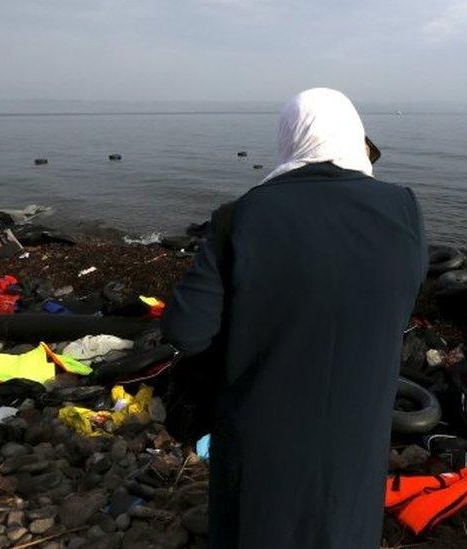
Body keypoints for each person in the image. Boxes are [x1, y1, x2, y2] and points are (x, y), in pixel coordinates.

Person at [161, 87, 428, 548]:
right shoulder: (405, 209)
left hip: (263, 428)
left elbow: (185, 329)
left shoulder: (241, 216)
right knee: (344, 524)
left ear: (290, 136)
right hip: (358, 427)